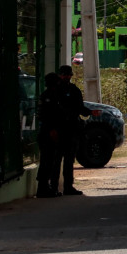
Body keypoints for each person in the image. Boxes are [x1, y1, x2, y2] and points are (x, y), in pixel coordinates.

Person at [37, 64, 90, 197]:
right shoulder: (52, 95)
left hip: (69, 130)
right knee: (52, 160)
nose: (65, 77)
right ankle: (50, 187)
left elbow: (79, 108)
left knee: (66, 160)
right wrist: (53, 129)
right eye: (63, 75)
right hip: (56, 132)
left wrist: (88, 112)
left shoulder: (71, 91)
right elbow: (48, 115)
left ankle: (61, 187)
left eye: (67, 74)